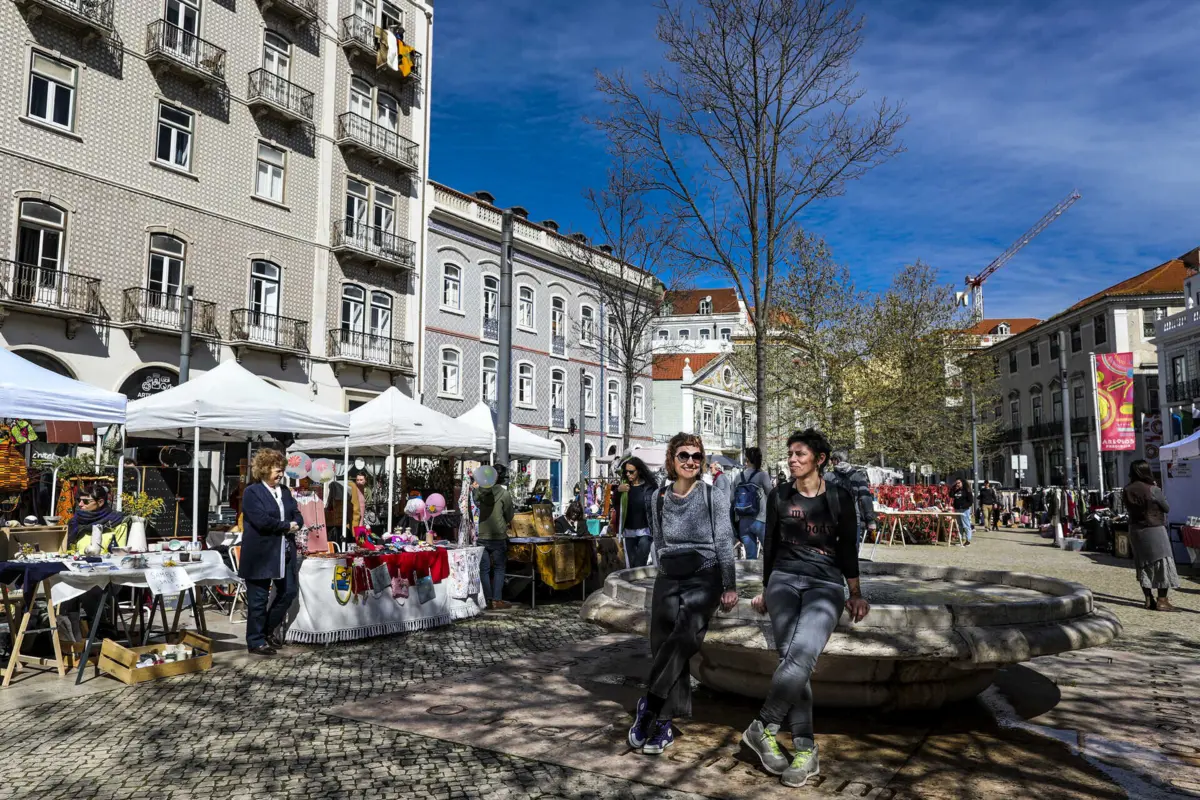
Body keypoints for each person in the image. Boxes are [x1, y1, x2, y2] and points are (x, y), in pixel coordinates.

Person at [741, 429, 869, 788]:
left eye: (800, 454)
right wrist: (766, 588)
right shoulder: (779, 495)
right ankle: (805, 749)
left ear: (819, 459)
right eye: (790, 454)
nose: (792, 460)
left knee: (803, 653)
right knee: (791, 656)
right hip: (784, 579)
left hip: (826, 584)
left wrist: (855, 591)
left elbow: (847, 551)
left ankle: (762, 726)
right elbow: (769, 545)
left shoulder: (841, 498)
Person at [628, 433, 737, 756]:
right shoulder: (658, 497)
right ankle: (662, 721)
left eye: (696, 456)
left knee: (684, 637)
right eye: (684, 456)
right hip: (669, 575)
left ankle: (650, 704)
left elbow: (723, 541)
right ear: (671, 460)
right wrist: (663, 569)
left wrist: (729, 585)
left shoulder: (712, 495)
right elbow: (659, 539)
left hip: (705, 574)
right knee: (661, 641)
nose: (691, 461)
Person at [239, 449, 303, 656]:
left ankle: (266, 631)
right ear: (265, 470)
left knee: (289, 592)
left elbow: (297, 514)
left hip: (284, 552)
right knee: (258, 599)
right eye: (277, 470)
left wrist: (296, 523)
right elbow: (261, 520)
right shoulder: (252, 492)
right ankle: (255, 641)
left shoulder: (284, 491)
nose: (281, 474)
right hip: (261, 554)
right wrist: (286, 526)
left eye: (282, 470)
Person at [1123, 460, 1181, 612]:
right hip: (1154, 529)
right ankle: (1162, 600)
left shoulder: (1127, 489)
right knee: (1163, 562)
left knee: (1143, 564)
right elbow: (1166, 508)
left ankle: (1148, 599)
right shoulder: (1153, 489)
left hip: (1135, 530)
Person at [477, 465, 515, 610]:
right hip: (498, 536)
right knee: (499, 568)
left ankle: (487, 599)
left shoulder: (481, 491)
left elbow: (474, 498)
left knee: (484, 569)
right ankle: (497, 600)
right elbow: (510, 515)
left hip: (482, 534)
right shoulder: (504, 494)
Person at [824, 450, 877, 549]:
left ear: (837, 460)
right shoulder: (858, 477)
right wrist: (870, 520)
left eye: (832, 460)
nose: (831, 462)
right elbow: (865, 498)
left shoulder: (828, 477)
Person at [612, 456, 657, 569]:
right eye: (626, 472)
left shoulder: (649, 488)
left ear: (639, 471)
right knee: (630, 565)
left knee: (640, 563)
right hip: (628, 532)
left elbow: (656, 507)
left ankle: (638, 586)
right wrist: (618, 491)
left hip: (645, 532)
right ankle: (630, 586)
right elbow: (615, 504)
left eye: (631, 472)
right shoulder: (624, 487)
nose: (628, 474)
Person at [734, 447, 774, 559]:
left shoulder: (738, 477)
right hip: (760, 520)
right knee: (769, 554)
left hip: (743, 521)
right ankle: (767, 576)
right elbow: (771, 495)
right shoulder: (762, 475)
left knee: (751, 557)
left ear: (747, 459)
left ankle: (752, 576)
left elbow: (732, 499)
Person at [68, 484, 126, 553]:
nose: (80, 504)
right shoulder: (75, 522)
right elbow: (68, 550)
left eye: (85, 501)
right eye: (78, 500)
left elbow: (120, 553)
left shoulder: (117, 522)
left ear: (100, 502)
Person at [950, 478, 974, 546]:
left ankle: (968, 540)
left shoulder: (967, 490)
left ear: (962, 483)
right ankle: (960, 539)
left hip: (964, 510)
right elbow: (951, 495)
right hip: (957, 509)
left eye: (959, 483)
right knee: (959, 525)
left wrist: (964, 506)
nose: (957, 484)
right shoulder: (957, 490)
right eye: (956, 483)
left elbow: (970, 501)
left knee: (966, 525)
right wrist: (953, 487)